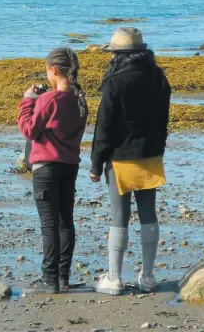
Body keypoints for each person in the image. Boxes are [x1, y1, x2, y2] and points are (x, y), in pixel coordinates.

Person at [90, 27, 171, 296]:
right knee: (149, 215)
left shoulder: (114, 81)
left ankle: (113, 279)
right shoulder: (159, 77)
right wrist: (159, 149)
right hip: (150, 154)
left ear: (117, 55)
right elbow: (163, 120)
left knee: (119, 217)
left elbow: (104, 127)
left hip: (120, 157)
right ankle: (147, 277)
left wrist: (95, 163)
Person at [18, 47, 88, 294]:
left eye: (48, 71)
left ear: (54, 70)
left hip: (46, 167)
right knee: (65, 221)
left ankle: (50, 279)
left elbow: (28, 129)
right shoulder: (79, 98)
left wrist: (28, 100)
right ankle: (63, 276)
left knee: (49, 224)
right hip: (69, 166)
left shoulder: (47, 100)